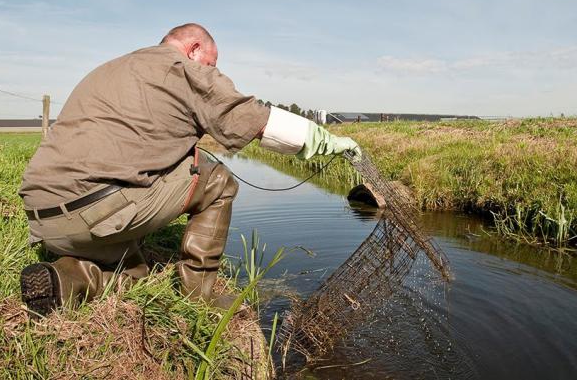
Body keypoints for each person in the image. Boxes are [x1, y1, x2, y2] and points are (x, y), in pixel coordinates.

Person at [18, 23, 360, 316]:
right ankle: (200, 295)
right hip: (97, 212)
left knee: (136, 270)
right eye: (211, 63)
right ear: (194, 49)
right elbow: (255, 120)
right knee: (218, 181)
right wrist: (326, 141)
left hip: (43, 220)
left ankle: (64, 281)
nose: (211, 70)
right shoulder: (183, 70)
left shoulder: (112, 68)